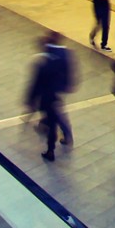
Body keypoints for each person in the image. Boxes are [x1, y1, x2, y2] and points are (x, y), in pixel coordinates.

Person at [25, 31, 76, 161]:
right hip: (57, 92)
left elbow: (35, 83)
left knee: (54, 119)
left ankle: (51, 150)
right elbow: (69, 72)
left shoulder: (43, 62)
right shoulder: (65, 53)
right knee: (57, 115)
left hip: (47, 95)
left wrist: (30, 100)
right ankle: (65, 134)